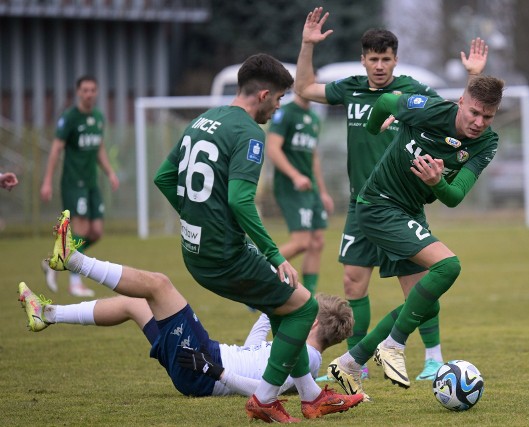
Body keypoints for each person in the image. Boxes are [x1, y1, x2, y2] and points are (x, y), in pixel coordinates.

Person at [152, 53, 363, 422]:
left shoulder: (204, 119)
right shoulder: (249, 132)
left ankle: (311, 394)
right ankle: (265, 398)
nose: (278, 107)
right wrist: (274, 254)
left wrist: (195, 218)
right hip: (224, 253)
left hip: (195, 249)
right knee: (307, 307)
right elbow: (239, 199)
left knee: (285, 306)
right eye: (279, 99)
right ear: (264, 94)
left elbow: (164, 178)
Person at [295, 7, 489, 382]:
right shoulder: (350, 88)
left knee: (416, 286)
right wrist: (307, 45)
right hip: (360, 204)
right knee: (353, 281)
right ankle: (359, 363)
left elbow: (460, 114)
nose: (380, 66)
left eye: (386, 59)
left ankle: (433, 359)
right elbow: (303, 88)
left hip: (402, 203)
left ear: (395, 60)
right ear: (363, 60)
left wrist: (474, 76)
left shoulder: (412, 92)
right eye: (373, 59)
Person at [18, 214, 354, 399]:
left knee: (159, 285)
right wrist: (272, 308)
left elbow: (265, 390)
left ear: (312, 324)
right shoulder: (291, 348)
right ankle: (46, 314)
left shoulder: (308, 360)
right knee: (134, 304)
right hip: (202, 364)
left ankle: (74, 260)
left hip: (205, 367)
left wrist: (216, 370)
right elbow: (254, 352)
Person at [326, 74, 505, 395]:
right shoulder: (427, 109)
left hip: (408, 212)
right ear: (460, 102)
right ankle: (392, 345)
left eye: (487, 117)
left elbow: (454, 197)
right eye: (474, 113)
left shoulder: (487, 143)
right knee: (448, 266)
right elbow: (383, 101)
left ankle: (351, 361)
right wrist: (372, 129)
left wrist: (438, 183)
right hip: (377, 205)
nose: (479, 122)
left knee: (426, 303)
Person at [40, 75, 120, 297]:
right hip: (74, 184)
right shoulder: (69, 118)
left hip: (92, 184)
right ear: (78, 92)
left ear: (97, 92)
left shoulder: (98, 117)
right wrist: (47, 181)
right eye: (85, 90)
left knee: (96, 232)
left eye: (93, 90)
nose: (89, 94)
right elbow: (56, 150)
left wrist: (110, 172)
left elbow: (100, 149)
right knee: (81, 230)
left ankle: (54, 261)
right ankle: (75, 283)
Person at [266, 91, 334, 296]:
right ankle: (254, 280)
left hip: (310, 188)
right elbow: (272, 148)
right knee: (301, 243)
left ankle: (310, 295)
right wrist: (295, 176)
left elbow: (313, 158)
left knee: (317, 242)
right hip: (291, 187)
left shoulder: (314, 118)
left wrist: (323, 191)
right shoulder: (285, 113)